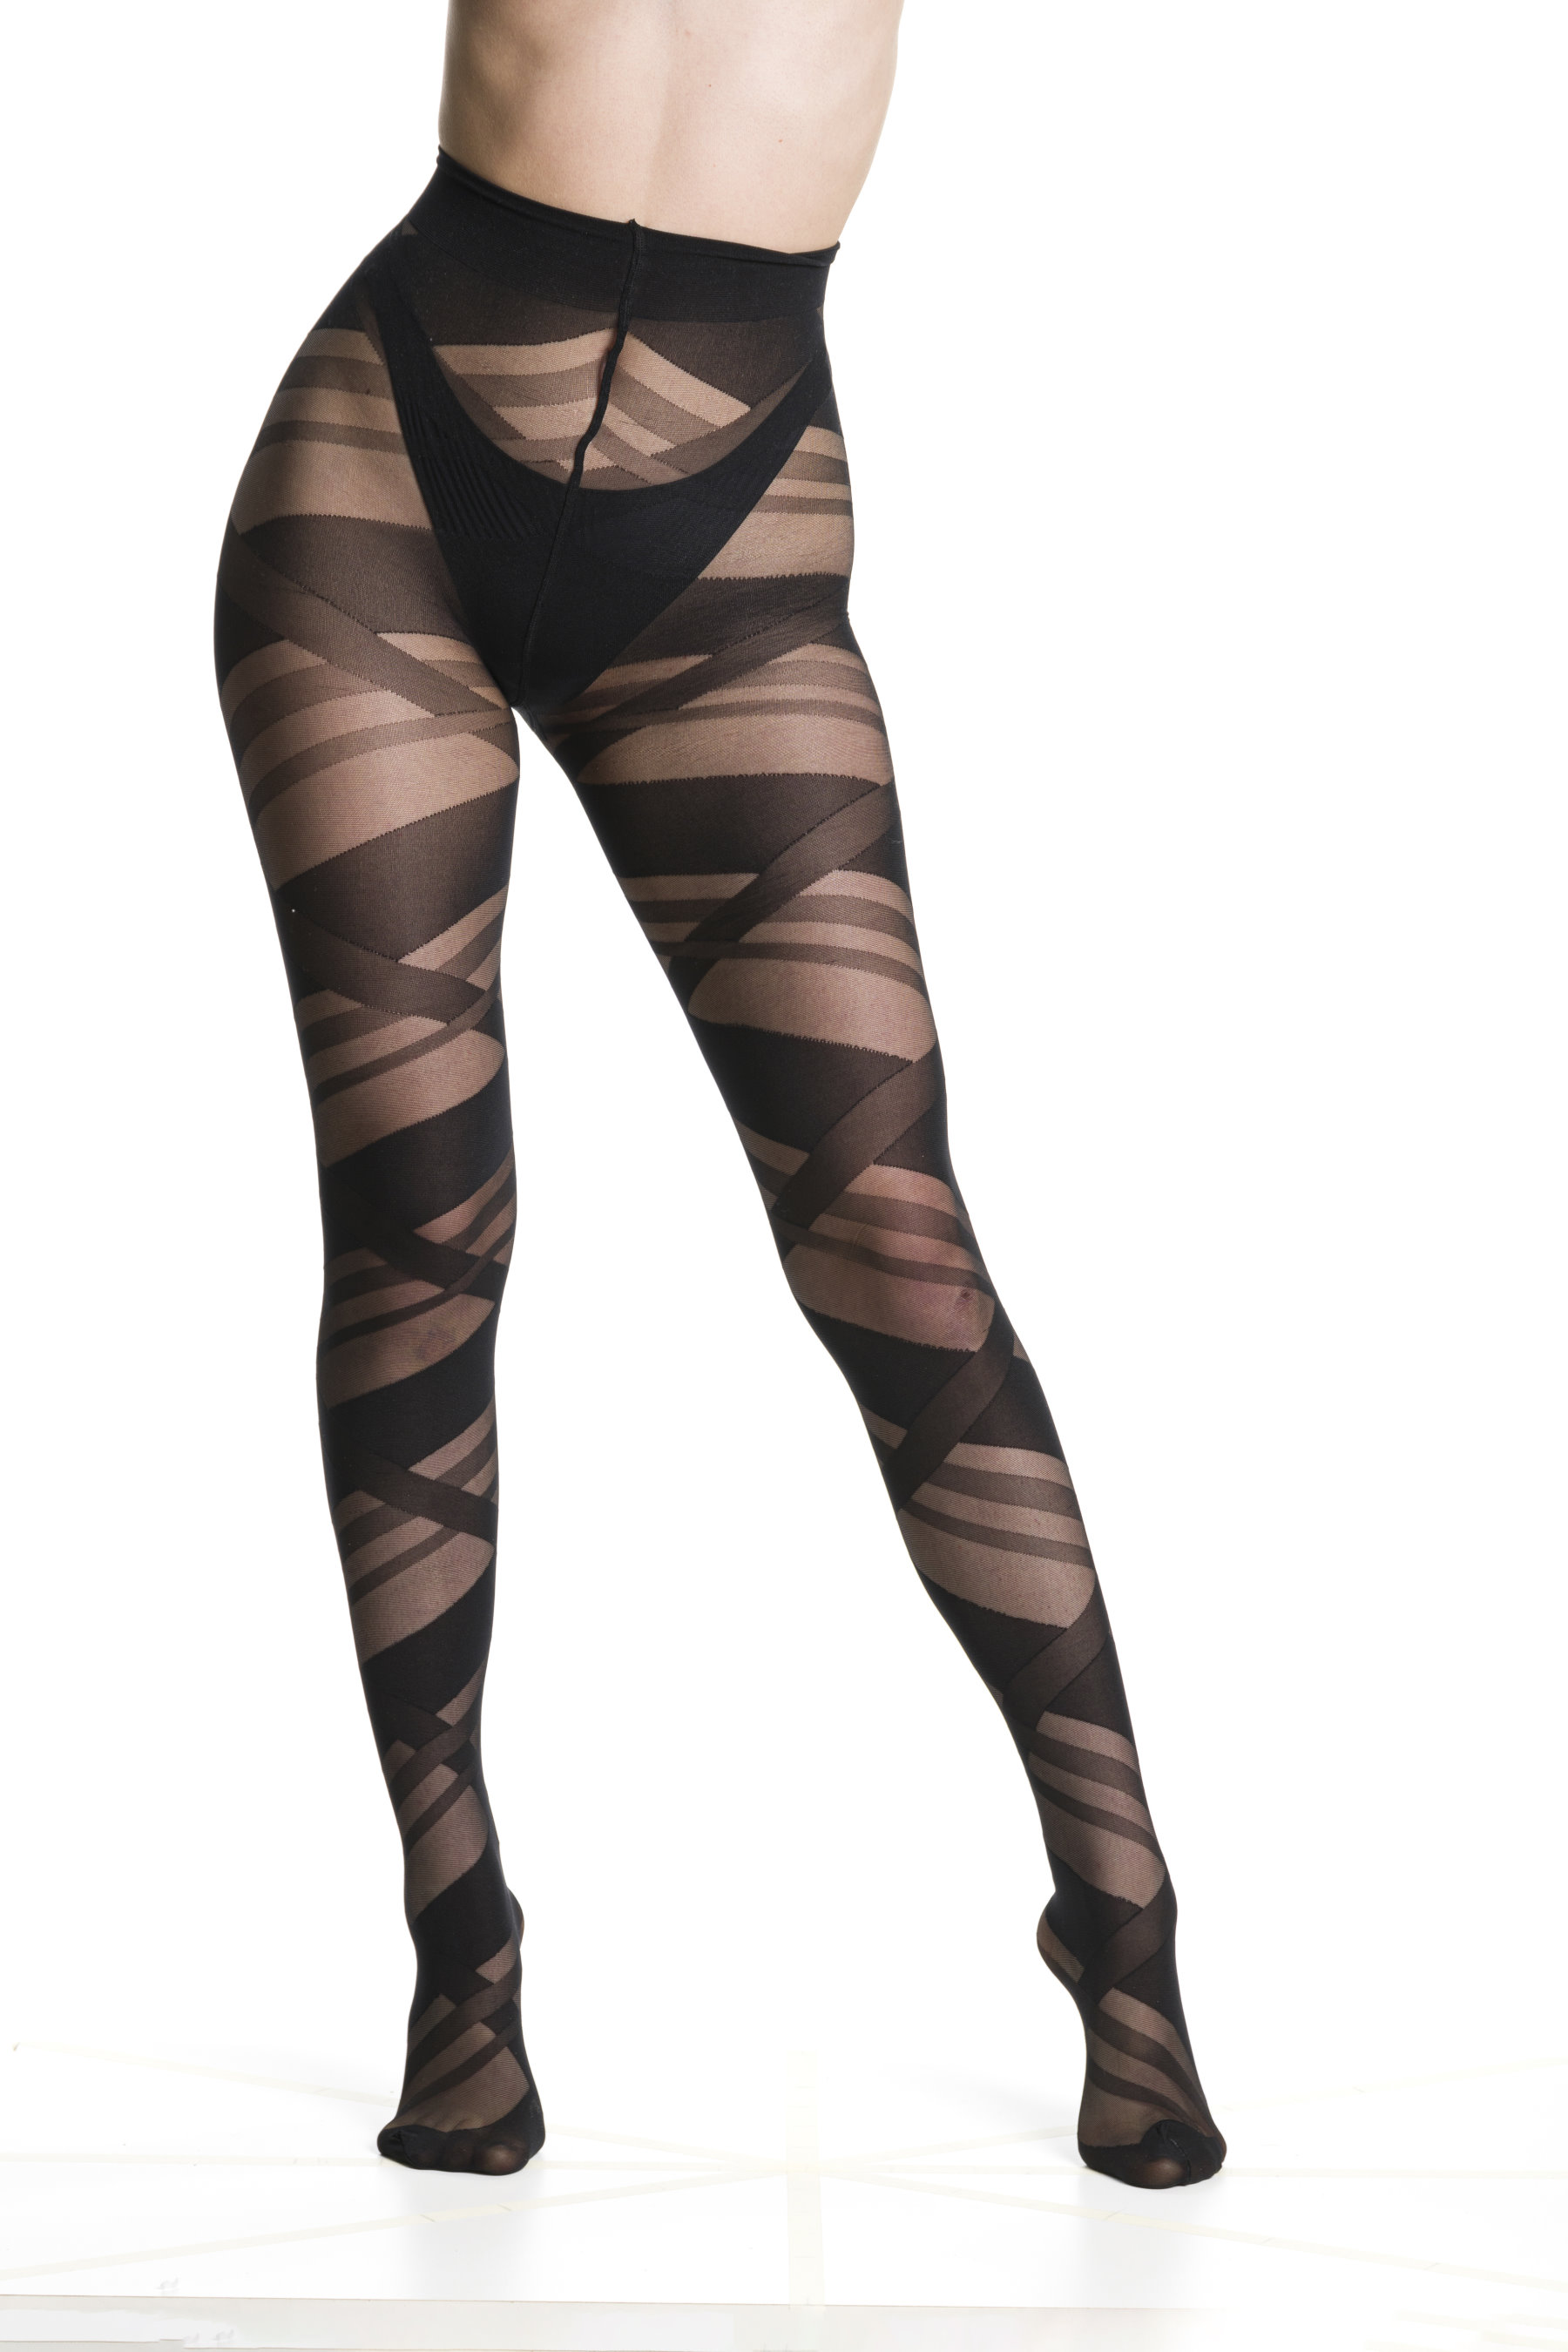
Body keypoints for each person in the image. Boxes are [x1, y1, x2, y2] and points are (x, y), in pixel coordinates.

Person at [213, 0, 1225, 2189]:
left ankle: (1122, 1917)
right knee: (419, 1228)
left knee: (896, 1242)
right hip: (383, 473)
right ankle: (462, 1955)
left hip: (735, 530)